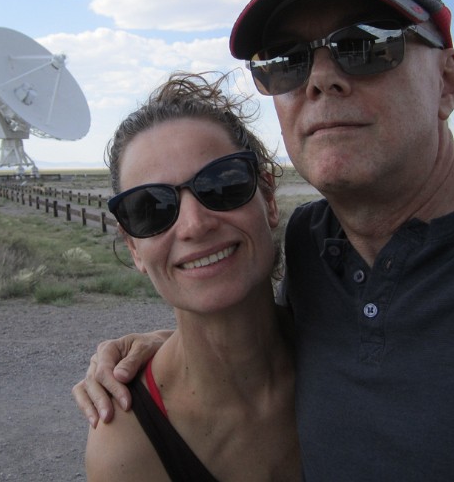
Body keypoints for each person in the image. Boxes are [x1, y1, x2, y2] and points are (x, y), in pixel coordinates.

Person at [74, 0, 454, 480]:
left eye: (365, 45)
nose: (320, 78)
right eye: (287, 60)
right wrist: (171, 348)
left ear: (446, 81)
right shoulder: (315, 245)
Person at [83, 73, 301, 481]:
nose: (193, 225)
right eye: (150, 208)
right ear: (134, 248)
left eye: (222, 184)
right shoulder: (128, 449)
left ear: (268, 198)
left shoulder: (352, 346)